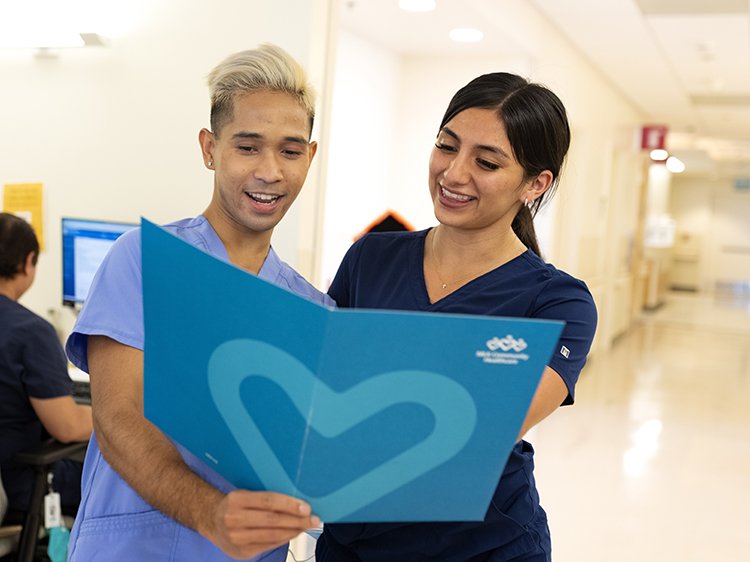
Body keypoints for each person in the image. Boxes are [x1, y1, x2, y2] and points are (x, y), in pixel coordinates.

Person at [316, 73, 598, 561]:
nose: (453, 174)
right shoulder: (371, 257)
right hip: (354, 538)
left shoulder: (557, 303)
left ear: (536, 183)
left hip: (482, 545)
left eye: (486, 162)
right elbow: (320, 382)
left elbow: (479, 431)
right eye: (447, 146)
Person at [64, 44, 328, 561]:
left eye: (290, 151)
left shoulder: (315, 312)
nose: (270, 171)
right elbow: (117, 415)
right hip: (129, 548)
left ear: (310, 157)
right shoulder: (144, 258)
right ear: (210, 148)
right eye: (248, 147)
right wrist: (210, 513)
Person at [0, 212, 92, 515]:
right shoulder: (30, 332)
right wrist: (125, 414)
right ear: (28, 262)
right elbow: (67, 427)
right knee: (115, 481)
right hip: (19, 485)